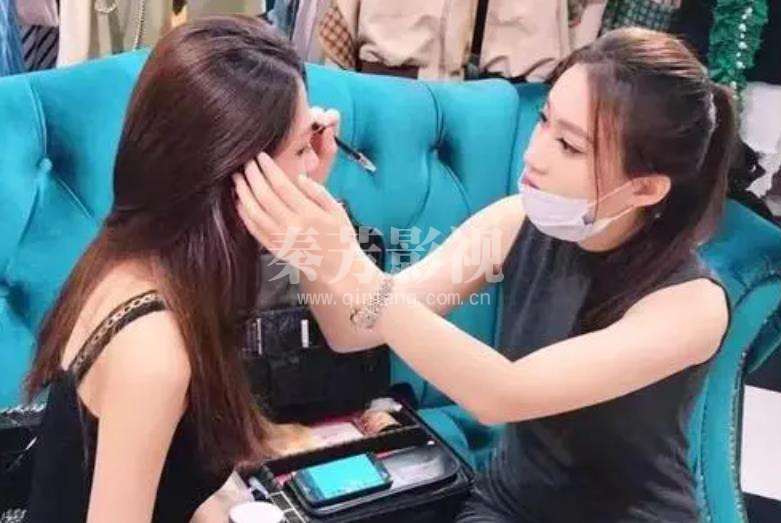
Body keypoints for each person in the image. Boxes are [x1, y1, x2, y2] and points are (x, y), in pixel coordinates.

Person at [234, 27, 735, 521]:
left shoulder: (692, 306)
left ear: (645, 189)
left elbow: (503, 394)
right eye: (543, 121)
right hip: (507, 505)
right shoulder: (516, 222)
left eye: (570, 146)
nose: (534, 155)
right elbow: (352, 331)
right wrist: (313, 210)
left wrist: (347, 261)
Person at [24, 16, 339, 523]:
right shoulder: (154, 348)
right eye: (302, 148)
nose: (312, 165)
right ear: (237, 174)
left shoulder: (139, 259)